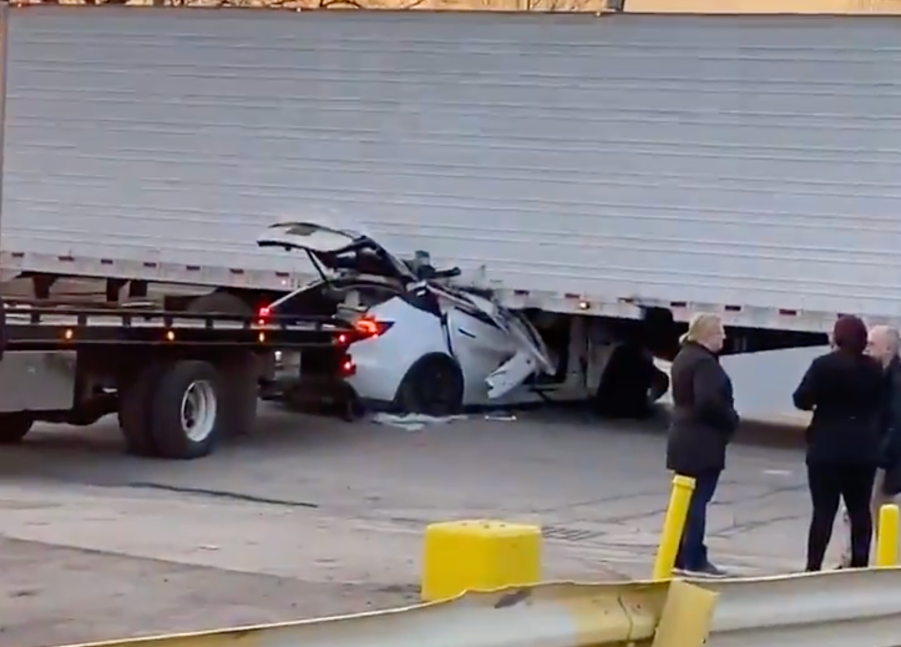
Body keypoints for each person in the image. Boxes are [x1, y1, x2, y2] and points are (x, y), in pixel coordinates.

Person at [793, 315, 884, 571]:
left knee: (823, 510)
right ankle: (859, 564)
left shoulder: (823, 365)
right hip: (863, 448)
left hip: (826, 446)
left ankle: (813, 566)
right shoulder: (874, 368)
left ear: (837, 337)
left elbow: (801, 398)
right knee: (859, 510)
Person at [666, 312, 738, 577]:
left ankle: (677, 554)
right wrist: (731, 420)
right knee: (697, 503)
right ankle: (694, 558)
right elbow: (708, 401)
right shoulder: (705, 364)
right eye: (721, 332)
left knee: (685, 502)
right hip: (701, 440)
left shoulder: (684, 357)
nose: (725, 337)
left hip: (682, 436)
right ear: (708, 335)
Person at [839, 325, 901, 567]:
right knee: (864, 511)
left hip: (883, 460)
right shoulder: (878, 374)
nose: (866, 350)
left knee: (877, 513)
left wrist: (880, 457)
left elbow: (896, 423)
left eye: (872, 345)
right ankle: (853, 560)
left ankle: (886, 567)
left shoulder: (895, 381)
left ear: (888, 348)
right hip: (876, 455)